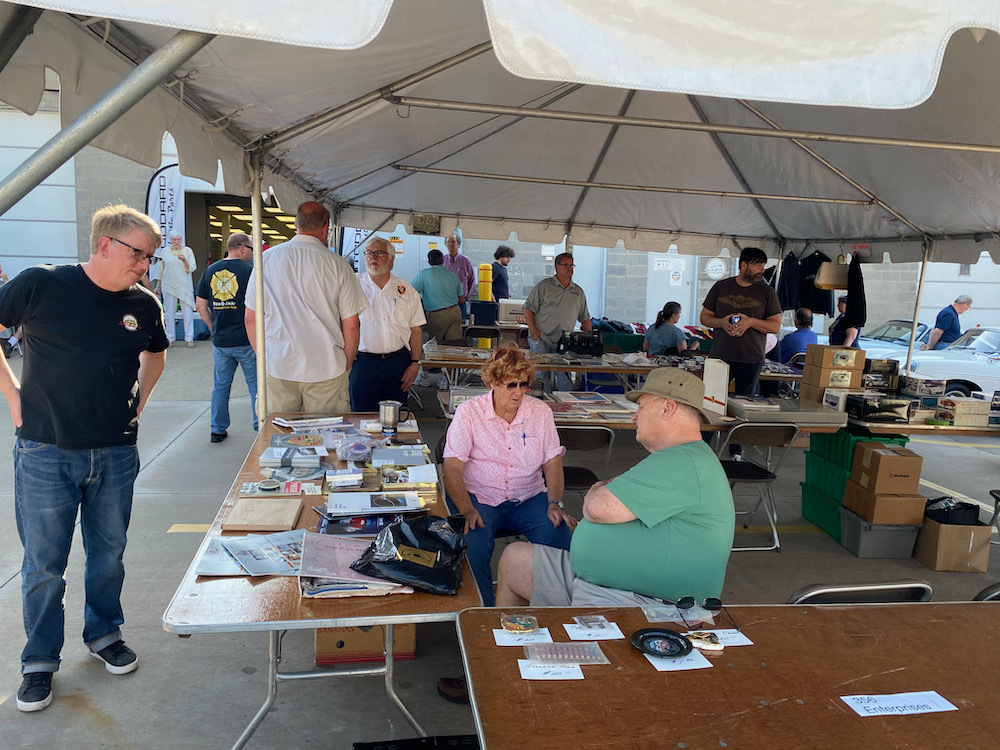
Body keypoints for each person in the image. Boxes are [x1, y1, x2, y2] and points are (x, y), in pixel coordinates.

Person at [0, 205, 168, 713]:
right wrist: (13, 398)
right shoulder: (41, 284)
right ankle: (39, 661)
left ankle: (104, 634)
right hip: (45, 450)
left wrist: (140, 403)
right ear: (105, 245)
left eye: (150, 257)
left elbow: (156, 353)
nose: (145, 265)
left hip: (116, 451)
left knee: (108, 553)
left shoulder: (144, 304)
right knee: (44, 564)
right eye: (139, 254)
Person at [493, 367, 734, 610]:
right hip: (604, 583)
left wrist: (596, 489)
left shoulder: (682, 462)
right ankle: (511, 633)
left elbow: (598, 507)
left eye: (641, 407)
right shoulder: (678, 458)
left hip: (641, 600)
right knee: (514, 560)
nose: (634, 416)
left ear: (667, 408)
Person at [442, 345, 577, 607]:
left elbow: (552, 461)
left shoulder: (540, 412)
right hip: (479, 495)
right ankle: (482, 611)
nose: (519, 392)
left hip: (528, 496)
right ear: (492, 383)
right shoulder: (469, 412)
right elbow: (452, 467)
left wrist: (555, 502)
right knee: (471, 544)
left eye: (524, 385)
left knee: (559, 535)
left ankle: (557, 611)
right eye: (511, 385)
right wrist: (466, 508)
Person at [244, 202, 369, 414]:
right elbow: (352, 325)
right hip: (326, 366)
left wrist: (264, 358)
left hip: (278, 363)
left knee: (277, 429)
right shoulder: (338, 265)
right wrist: (346, 364)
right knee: (326, 431)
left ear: (296, 224)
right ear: (326, 228)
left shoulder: (266, 259)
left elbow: (250, 318)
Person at [349, 237, 425, 411]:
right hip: (363, 363)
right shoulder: (353, 286)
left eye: (379, 253)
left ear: (392, 259)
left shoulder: (407, 290)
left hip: (397, 364)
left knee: (395, 418)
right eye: (368, 253)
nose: (372, 257)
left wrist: (415, 363)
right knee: (362, 417)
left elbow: (416, 329)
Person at [195, 232, 257, 443]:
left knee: (221, 387)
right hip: (247, 340)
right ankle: (260, 426)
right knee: (256, 387)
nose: (252, 253)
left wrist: (213, 327)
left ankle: (217, 429)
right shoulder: (250, 271)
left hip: (221, 341)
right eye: (251, 249)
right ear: (242, 248)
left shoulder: (211, 270)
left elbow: (200, 304)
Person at [700, 247, 781, 397]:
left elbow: (775, 326)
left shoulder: (767, 292)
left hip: (751, 358)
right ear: (744, 265)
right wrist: (721, 322)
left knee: (744, 402)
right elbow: (704, 317)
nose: (762, 270)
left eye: (763, 265)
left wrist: (751, 322)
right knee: (712, 400)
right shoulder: (721, 287)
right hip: (720, 356)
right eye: (758, 265)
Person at [523, 252, 593, 391]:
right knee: (541, 376)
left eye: (572, 265)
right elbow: (528, 309)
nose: (570, 268)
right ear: (556, 267)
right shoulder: (544, 287)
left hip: (565, 341)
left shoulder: (578, 292)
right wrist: (534, 332)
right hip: (542, 338)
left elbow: (585, 318)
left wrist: (590, 340)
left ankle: (565, 402)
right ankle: (541, 402)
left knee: (564, 376)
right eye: (566, 265)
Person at [152, 231, 197, 348]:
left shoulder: (187, 251)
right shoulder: (165, 251)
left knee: (187, 312)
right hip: (168, 285)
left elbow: (192, 268)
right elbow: (161, 269)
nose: (177, 242)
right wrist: (157, 286)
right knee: (169, 312)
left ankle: (189, 338)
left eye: (179, 239)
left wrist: (184, 260)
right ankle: (170, 338)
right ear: (170, 240)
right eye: (175, 239)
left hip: (184, 286)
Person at [411, 248, 465, 346]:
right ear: (442, 260)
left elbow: (410, 293)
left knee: (431, 345)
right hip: (455, 312)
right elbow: (461, 299)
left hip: (436, 316)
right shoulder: (453, 275)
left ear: (429, 261)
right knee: (454, 346)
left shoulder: (424, 274)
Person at [442, 228, 475, 321]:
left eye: (453, 242)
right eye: (448, 242)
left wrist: (466, 298)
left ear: (459, 244)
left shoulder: (466, 261)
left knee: (460, 326)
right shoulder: (442, 260)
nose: (450, 244)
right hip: (445, 302)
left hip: (460, 302)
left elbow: (472, 281)